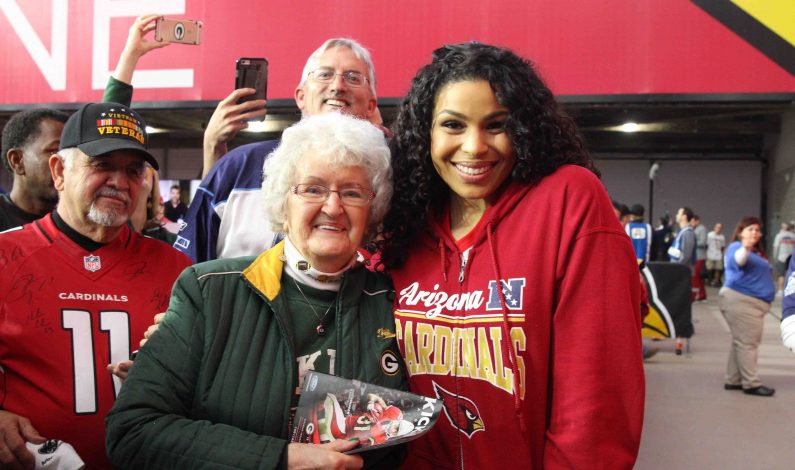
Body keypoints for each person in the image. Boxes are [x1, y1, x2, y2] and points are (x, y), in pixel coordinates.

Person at [379, 42, 644, 469]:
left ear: (524, 128)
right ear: (424, 133)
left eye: (496, 125)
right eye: (453, 125)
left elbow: (598, 398)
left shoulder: (568, 200)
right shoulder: (407, 222)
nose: (474, 147)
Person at [106, 113, 406, 469]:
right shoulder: (208, 291)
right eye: (313, 189)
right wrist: (281, 459)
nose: (333, 206)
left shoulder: (394, 302)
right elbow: (132, 431)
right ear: (283, 200)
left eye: (352, 192)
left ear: (373, 209)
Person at [0, 102, 192, 469]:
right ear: (59, 171)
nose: (120, 182)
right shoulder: (5, 257)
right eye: (102, 165)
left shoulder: (178, 269)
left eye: (133, 171)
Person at [175, 37, 380, 262]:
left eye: (353, 77)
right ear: (300, 96)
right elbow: (187, 271)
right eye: (324, 74)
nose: (338, 86)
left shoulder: (383, 179)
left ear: (371, 105)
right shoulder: (238, 167)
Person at [719, 217, 775, 397]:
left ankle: (733, 379)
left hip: (748, 303)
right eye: (750, 229)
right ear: (741, 231)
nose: (755, 233)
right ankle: (751, 383)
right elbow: (739, 260)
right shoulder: (738, 248)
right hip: (743, 301)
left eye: (757, 230)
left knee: (741, 343)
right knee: (748, 344)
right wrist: (746, 246)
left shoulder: (755, 253)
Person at [0, 108, 68, 230]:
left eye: (70, 154)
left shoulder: (83, 223)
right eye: (55, 151)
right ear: (17, 161)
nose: (66, 163)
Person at [772, 222, 795, 296]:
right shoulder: (793, 236)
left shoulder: (779, 236)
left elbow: (776, 247)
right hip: (791, 257)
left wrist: (775, 257)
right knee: (792, 274)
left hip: (781, 257)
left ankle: (780, 290)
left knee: (781, 274)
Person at [692, 214, 708, 301]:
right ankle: (702, 295)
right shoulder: (695, 229)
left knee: (696, 276)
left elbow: (703, 242)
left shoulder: (702, 229)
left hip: (700, 256)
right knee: (698, 277)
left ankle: (698, 295)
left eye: (693, 221)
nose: (692, 223)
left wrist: (692, 242)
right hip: (696, 256)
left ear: (697, 221)